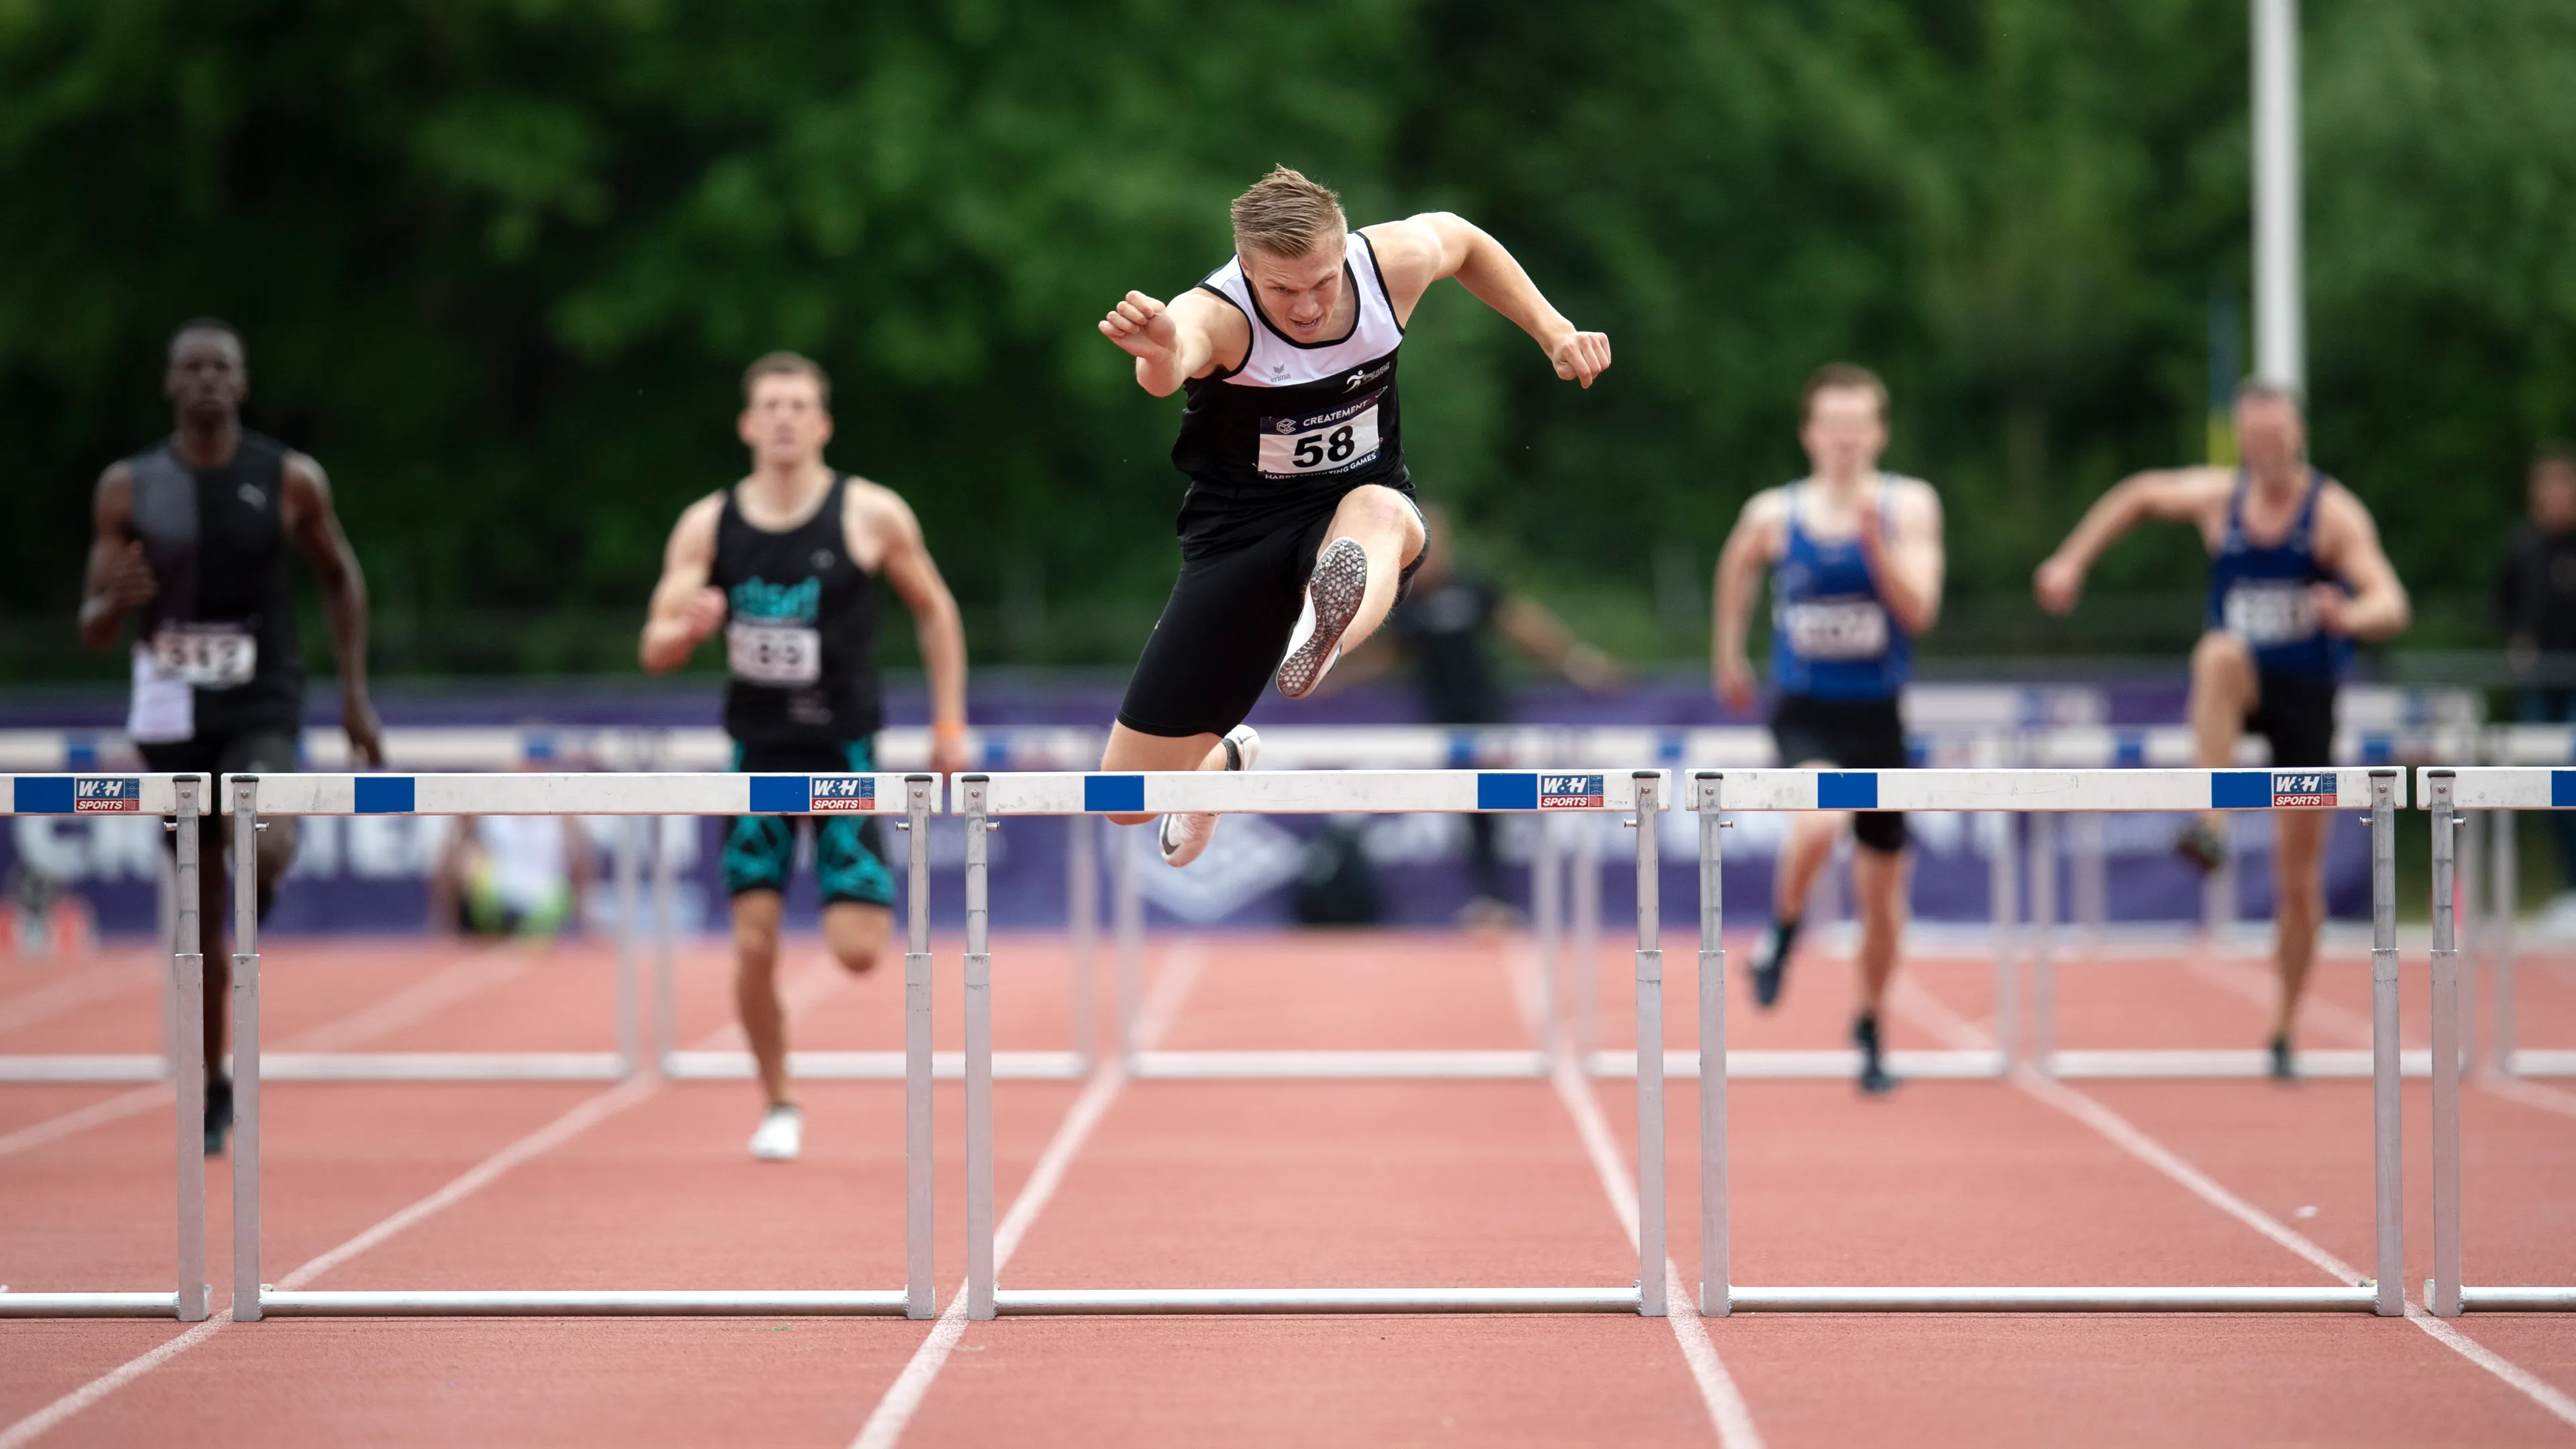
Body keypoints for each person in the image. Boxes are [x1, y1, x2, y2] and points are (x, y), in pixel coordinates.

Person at [1095, 166, 1612, 864]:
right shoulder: (1216, 313)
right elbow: (1169, 360)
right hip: (1237, 540)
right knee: (1125, 802)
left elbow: (1462, 241)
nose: (1306, 307)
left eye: (1322, 282)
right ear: (1247, 268)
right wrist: (1157, 355)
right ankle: (1223, 765)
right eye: (1281, 289)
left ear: (1344, 253)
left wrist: (1553, 330)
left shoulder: (1385, 265)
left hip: (1355, 510)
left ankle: (1325, 629)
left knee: (1382, 510)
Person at [640, 352, 969, 1162]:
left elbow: (936, 612)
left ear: (822, 424)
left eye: (799, 405)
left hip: (843, 752)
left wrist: (949, 722)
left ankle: (838, 902)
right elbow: (653, 646)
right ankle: (779, 1100)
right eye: (771, 406)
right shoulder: (707, 525)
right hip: (756, 755)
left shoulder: (869, 514)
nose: (785, 418)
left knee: (858, 954)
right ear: (748, 424)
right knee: (754, 943)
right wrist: (688, 630)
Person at [2034, 380, 2409, 1079]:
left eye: (2276, 440)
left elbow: (2391, 601)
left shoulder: (2331, 516)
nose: (2263, 454)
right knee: (2217, 653)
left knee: (2298, 882)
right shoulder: (2219, 500)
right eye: (2252, 441)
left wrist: (2349, 614)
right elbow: (2139, 494)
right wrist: (2071, 560)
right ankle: (2211, 818)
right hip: (2241, 684)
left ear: (2299, 437)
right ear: (2239, 440)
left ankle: (2284, 1024)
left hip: (2306, 698)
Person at [77, 318, 384, 1153]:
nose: (208, 380)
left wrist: (355, 697)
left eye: (223, 368)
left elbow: (340, 577)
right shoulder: (128, 487)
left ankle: (266, 876)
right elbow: (93, 628)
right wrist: (115, 603)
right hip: (172, 716)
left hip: (262, 701)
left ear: (242, 384)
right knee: (201, 917)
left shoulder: (288, 479)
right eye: (192, 368)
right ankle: (212, 1084)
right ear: (172, 384)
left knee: (267, 835)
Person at [1713, 363, 1944, 1095]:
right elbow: (1737, 565)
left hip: (1879, 714)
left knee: (1884, 902)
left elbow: (1919, 612)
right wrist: (1728, 649)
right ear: (1810, 434)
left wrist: (1877, 547)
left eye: (1858, 428)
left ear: (1879, 432)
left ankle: (1871, 1026)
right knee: (1817, 821)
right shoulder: (1774, 514)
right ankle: (1784, 930)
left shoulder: (1909, 505)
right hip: (1805, 710)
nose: (1845, 442)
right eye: (1832, 428)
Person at [1336, 504, 1624, 922]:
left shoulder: (1472, 589)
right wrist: (1330, 679)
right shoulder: (1403, 601)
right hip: (1442, 727)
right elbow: (1387, 657)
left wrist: (1578, 663)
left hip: (1488, 720)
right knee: (1468, 813)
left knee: (1494, 806)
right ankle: (1489, 899)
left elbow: (1525, 629)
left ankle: (1499, 900)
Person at [2498, 448, 2576, 903]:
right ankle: (2569, 886)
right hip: (2540, 686)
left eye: (2558, 486)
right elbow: (2505, 606)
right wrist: (2518, 639)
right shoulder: (2524, 549)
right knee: (2545, 786)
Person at [431, 812, 594, 939]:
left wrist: (585, 921)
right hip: (500, 895)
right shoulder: (489, 816)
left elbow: (582, 862)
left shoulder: (561, 818)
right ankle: (483, 936)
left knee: (560, 894)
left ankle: (531, 938)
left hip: (545, 899)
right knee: (468, 861)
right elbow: (455, 853)